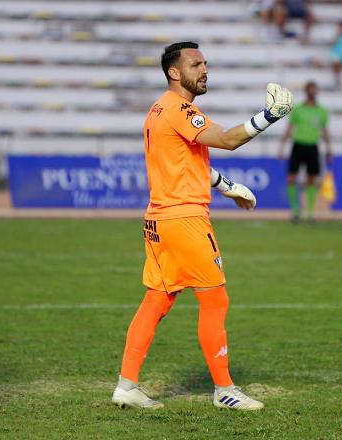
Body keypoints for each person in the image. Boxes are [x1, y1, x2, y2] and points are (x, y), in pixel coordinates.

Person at [111, 41, 293, 411]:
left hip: (159, 220)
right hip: (185, 221)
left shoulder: (159, 110)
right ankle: (224, 389)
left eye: (205, 62)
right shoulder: (180, 110)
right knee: (215, 300)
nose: (204, 69)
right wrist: (270, 115)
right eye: (196, 64)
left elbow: (187, 165)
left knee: (157, 300)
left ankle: (126, 385)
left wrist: (228, 188)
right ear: (174, 73)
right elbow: (227, 140)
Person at [278, 81, 331, 223]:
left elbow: (325, 131)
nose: (312, 92)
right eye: (310, 90)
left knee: (311, 180)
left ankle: (309, 214)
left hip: (313, 146)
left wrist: (329, 149)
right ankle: (296, 212)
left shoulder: (321, 111)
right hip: (298, 145)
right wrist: (282, 145)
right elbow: (290, 128)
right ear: (306, 91)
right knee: (291, 178)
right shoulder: (298, 109)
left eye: (314, 90)